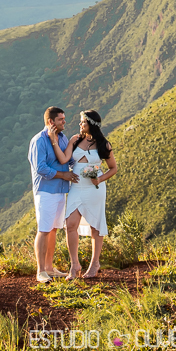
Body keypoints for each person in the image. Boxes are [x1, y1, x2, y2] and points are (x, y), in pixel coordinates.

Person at [50, 109, 117, 278]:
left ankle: (95, 264)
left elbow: (113, 168)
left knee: (96, 226)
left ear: (91, 124)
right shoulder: (75, 139)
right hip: (77, 187)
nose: (80, 124)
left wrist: (100, 179)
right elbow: (64, 159)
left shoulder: (104, 145)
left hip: (94, 189)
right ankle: (75, 265)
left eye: (83, 122)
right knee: (70, 225)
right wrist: (54, 141)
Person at [29, 106, 78, 282]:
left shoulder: (63, 138)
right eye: (61, 119)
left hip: (61, 191)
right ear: (51, 122)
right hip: (45, 191)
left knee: (53, 229)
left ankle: (49, 268)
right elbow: (41, 168)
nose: (64, 122)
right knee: (43, 229)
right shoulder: (39, 140)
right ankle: (40, 271)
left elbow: (68, 160)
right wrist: (63, 175)